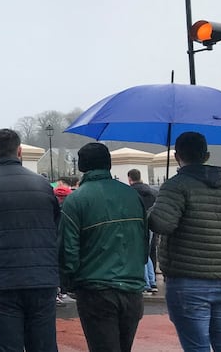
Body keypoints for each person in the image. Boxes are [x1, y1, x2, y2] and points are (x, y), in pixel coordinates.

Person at [0, 128, 60, 352]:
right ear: (19, 151)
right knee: (44, 345)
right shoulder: (43, 185)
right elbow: (55, 229)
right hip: (41, 278)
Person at [59, 143, 148, 352]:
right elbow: (144, 241)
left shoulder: (76, 200)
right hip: (132, 286)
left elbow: (68, 250)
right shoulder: (132, 196)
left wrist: (68, 281)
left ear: (82, 166)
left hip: (95, 288)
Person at [149, 131, 221, 351]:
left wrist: (152, 211)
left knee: (196, 347)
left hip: (188, 279)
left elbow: (162, 224)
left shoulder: (176, 186)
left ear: (176, 156)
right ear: (206, 155)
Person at [127, 168, 159, 294]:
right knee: (147, 253)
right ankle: (152, 281)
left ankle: (145, 283)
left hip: (136, 224)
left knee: (139, 253)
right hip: (150, 224)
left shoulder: (129, 192)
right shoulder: (152, 192)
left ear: (130, 179)